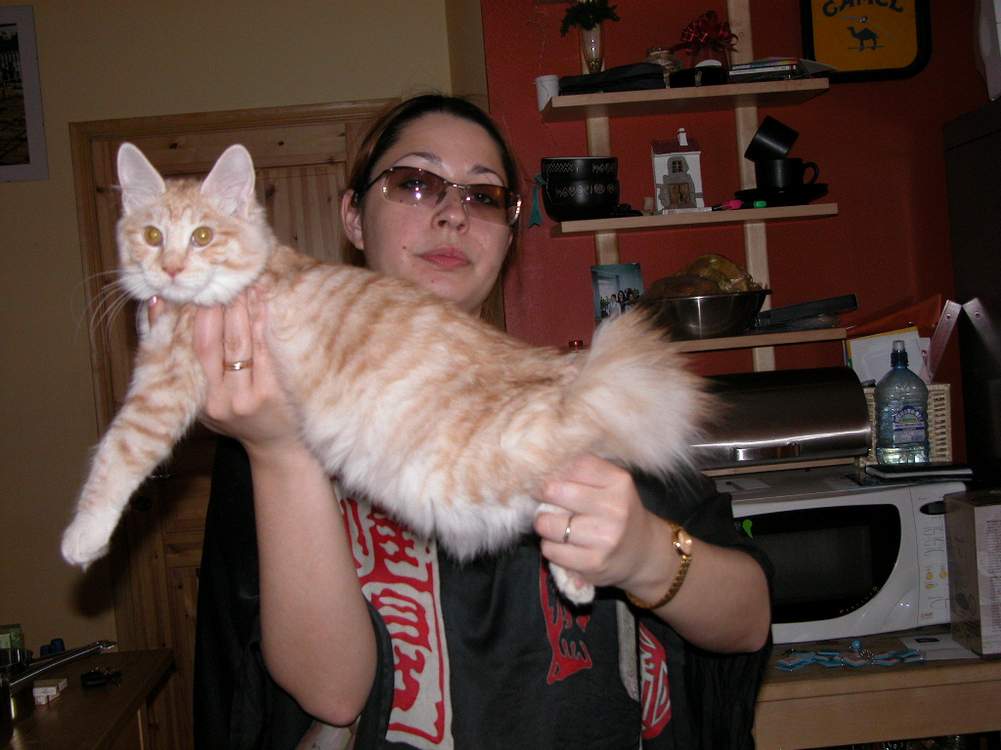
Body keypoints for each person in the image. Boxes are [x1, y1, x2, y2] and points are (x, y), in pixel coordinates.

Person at [186, 94, 772, 749]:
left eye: (483, 196)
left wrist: (645, 556)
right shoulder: (271, 424)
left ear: (507, 234)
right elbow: (330, 696)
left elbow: (748, 619)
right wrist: (280, 454)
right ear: (354, 217)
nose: (452, 213)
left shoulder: (584, 404)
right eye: (414, 182)